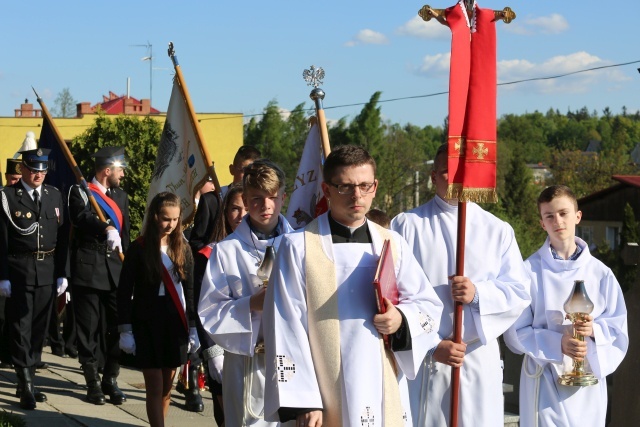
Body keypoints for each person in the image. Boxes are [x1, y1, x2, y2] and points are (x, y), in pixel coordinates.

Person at [263, 145, 443, 426]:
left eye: (364, 185)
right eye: (345, 187)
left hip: (382, 378)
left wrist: (400, 319)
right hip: (323, 388)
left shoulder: (392, 243)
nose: (356, 195)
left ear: (375, 187)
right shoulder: (297, 247)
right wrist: (306, 401)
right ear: (327, 189)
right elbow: (286, 325)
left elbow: (427, 305)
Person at [390, 143, 531, 426]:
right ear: (432, 176)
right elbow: (391, 296)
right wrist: (431, 343)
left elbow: (518, 291)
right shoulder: (406, 226)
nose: (454, 180)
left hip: (476, 355)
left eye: (460, 173)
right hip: (426, 356)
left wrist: (478, 294)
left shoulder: (497, 230)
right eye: (445, 172)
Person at [503, 185, 628, 427]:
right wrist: (557, 343)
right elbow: (515, 334)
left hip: (587, 384)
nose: (557, 221)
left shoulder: (601, 274)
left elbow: (618, 329)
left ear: (578, 216)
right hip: (544, 381)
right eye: (549, 216)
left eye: (563, 213)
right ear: (542, 223)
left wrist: (593, 331)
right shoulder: (528, 271)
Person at [199, 159, 294, 427]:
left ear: (283, 197)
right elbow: (210, 310)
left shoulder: (299, 245)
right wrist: (251, 303)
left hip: (292, 360)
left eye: (273, 197)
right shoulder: (226, 251)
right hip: (246, 362)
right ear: (245, 198)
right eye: (257, 198)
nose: (266, 206)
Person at [117, 192, 200, 427]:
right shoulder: (139, 248)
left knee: (166, 388)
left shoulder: (183, 248)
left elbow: (191, 291)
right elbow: (123, 292)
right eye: (166, 219)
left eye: (175, 220)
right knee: (153, 386)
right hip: (146, 322)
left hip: (174, 323)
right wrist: (125, 329)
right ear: (154, 217)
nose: (171, 225)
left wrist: (193, 328)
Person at [0, 148, 69, 410]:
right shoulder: (8, 197)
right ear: (23, 170)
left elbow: (63, 238)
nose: (38, 174)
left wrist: (63, 273)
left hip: (47, 267)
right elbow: (2, 240)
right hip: (19, 267)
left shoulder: (54, 195)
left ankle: (28, 376)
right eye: (33, 169)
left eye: (42, 170)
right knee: (20, 325)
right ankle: (26, 382)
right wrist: (2, 276)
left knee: (40, 326)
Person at [68, 146, 130, 406]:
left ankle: (110, 379)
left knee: (118, 326)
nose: (123, 174)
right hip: (89, 269)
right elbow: (80, 217)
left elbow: (124, 235)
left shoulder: (121, 196)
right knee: (89, 329)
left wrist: (130, 271)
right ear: (107, 170)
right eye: (120, 169)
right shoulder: (80, 192)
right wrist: (105, 227)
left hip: (115, 270)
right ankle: (92, 382)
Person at [194, 182, 247, 426]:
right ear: (225, 212)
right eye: (235, 208)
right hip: (222, 345)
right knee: (227, 416)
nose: (241, 215)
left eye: (247, 208)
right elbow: (202, 306)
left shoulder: (270, 248)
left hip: (255, 347)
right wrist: (212, 352)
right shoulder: (210, 253)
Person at [189, 145, 261, 253]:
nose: (248, 177)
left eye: (253, 173)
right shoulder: (212, 200)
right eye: (243, 171)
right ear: (232, 169)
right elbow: (196, 243)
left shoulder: (261, 202)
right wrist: (218, 252)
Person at [0, 158, 24, 369]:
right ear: (7, 178)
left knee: (15, 314)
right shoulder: (2, 197)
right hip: (3, 261)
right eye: (13, 179)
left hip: (18, 264)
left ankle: (11, 355)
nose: (17, 183)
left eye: (19, 179)